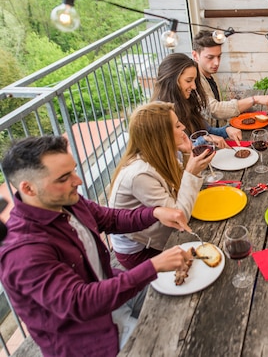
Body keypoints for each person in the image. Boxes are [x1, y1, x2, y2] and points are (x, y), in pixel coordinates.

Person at [0, 136, 194, 356]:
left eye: (73, 170)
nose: (78, 180)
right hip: (89, 339)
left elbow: (108, 219)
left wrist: (154, 212)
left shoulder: (65, 201)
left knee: (192, 296)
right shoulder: (23, 251)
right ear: (29, 188)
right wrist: (153, 266)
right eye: (64, 177)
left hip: (115, 296)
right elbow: (79, 302)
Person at [109, 102, 214, 269]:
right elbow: (180, 217)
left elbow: (181, 188)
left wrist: (188, 153)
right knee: (206, 257)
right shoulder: (140, 174)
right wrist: (192, 173)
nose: (184, 127)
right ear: (162, 135)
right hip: (140, 251)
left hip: (158, 234)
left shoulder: (161, 153)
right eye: (178, 125)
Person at [152, 53, 242, 148]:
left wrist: (226, 130)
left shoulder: (186, 100)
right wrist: (204, 140)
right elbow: (177, 155)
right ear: (171, 81)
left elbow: (206, 130)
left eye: (194, 80)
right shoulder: (159, 115)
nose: (194, 86)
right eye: (188, 81)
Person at [191, 29, 268, 127]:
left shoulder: (211, 74)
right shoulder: (193, 81)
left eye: (219, 56)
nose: (217, 63)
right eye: (210, 57)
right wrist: (254, 99)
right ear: (195, 55)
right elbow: (215, 110)